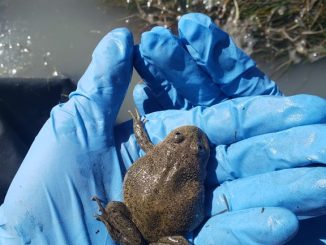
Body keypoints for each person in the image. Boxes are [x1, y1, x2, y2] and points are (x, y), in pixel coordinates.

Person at [0, 13, 325, 244]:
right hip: (166, 232)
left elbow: (145, 141)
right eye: (182, 138)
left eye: (196, 147)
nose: (191, 138)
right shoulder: (197, 167)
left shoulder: (161, 150)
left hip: (153, 223)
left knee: (113, 207)